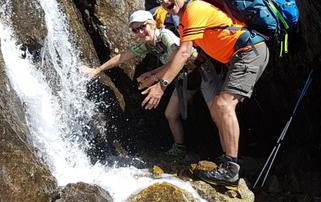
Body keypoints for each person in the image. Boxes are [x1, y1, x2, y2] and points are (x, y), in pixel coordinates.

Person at [140, 0, 269, 186]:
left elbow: (183, 53)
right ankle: (229, 160)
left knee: (223, 104)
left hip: (249, 52)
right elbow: (185, 57)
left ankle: (231, 168)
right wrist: (154, 75)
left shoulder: (195, 9)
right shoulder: (183, 24)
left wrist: (161, 86)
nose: (164, 1)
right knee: (218, 109)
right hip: (239, 57)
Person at [83, 10, 220, 157]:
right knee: (170, 114)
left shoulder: (165, 36)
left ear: (153, 24)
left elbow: (178, 60)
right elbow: (122, 57)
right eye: (136, 30)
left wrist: (154, 76)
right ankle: (179, 148)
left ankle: (224, 153)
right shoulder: (149, 45)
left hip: (202, 71)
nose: (141, 32)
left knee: (217, 112)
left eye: (143, 26)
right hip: (185, 77)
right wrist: (97, 70)